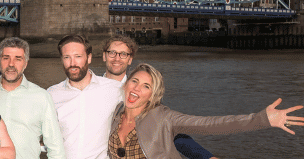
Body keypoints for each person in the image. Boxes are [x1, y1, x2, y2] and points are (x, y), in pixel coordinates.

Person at [109, 62, 302, 159]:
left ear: (152, 95)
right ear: (126, 85)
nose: (136, 88)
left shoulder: (163, 117)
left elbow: (211, 125)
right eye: (134, 81)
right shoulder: (117, 113)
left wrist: (262, 119)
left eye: (146, 86)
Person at [101, 34, 216, 159]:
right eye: (112, 52)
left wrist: (205, 156)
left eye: (123, 54)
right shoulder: (88, 90)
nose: (117, 58)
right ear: (104, 55)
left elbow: (169, 132)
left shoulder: (140, 94)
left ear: (130, 59)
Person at [0, 37, 66, 159]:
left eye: (18, 59)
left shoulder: (41, 97)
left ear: (26, 63)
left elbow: (56, 149)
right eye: (6, 58)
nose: (11, 64)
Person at [47, 35, 121, 159]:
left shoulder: (115, 90)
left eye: (78, 56)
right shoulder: (51, 94)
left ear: (89, 58)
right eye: (67, 57)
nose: (72, 63)